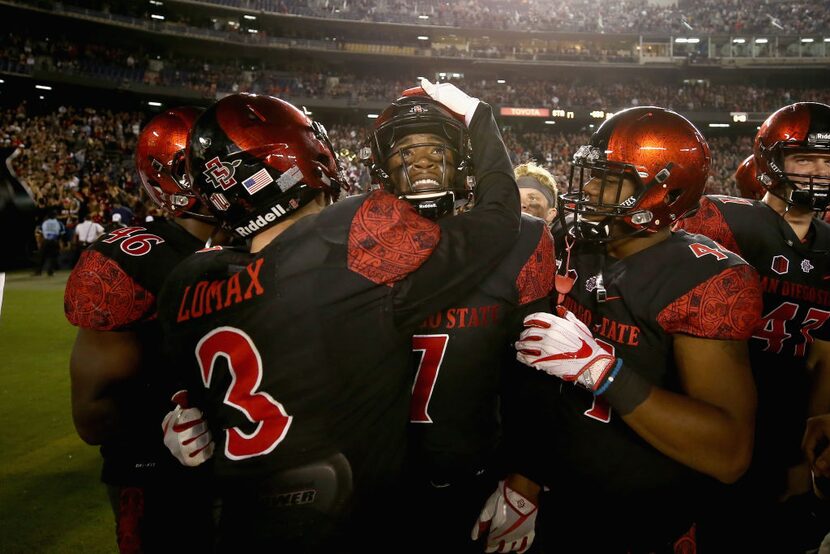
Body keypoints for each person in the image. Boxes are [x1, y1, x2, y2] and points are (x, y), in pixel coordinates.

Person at [157, 84, 521, 552]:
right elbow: (496, 219)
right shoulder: (345, 244)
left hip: (240, 521)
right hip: (354, 518)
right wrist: (481, 120)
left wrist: (182, 405)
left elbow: (187, 377)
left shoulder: (188, 281)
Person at [478, 106, 763, 553]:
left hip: (640, 519)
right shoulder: (575, 241)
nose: (589, 187)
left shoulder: (708, 280)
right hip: (555, 498)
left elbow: (728, 453)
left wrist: (606, 374)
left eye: (609, 178)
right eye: (593, 174)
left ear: (662, 193)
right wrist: (525, 477)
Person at [360, 88, 556, 553]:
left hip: (478, 472)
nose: (423, 161)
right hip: (375, 477)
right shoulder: (354, 242)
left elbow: (536, 373)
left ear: (464, 163)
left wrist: (526, 477)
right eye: (407, 151)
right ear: (382, 168)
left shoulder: (525, 240)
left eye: (437, 149)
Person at [674, 101, 830, 552]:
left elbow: (824, 352)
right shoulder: (720, 219)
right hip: (705, 408)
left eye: (827, 160)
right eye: (804, 158)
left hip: (783, 420)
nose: (818, 172)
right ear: (771, 162)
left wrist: (812, 434)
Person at [64, 106, 217, 553]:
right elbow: (92, 416)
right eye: (217, 163)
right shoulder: (131, 261)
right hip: (158, 477)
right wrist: (156, 422)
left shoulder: (257, 242)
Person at [35, 210, 63, 276]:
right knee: (53, 257)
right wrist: (60, 243)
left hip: (46, 241)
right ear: (55, 216)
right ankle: (50, 271)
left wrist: (39, 242)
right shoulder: (59, 223)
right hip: (54, 241)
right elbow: (61, 234)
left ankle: (38, 271)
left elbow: (39, 233)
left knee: (42, 257)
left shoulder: (44, 222)